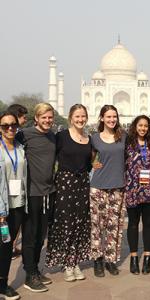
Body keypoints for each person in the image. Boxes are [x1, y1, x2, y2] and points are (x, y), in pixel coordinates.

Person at [45, 104, 92, 282]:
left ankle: (75, 261)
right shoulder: (61, 137)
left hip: (82, 183)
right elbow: (49, 157)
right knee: (65, 223)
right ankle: (66, 263)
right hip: (65, 183)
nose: (80, 120)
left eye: (83, 116)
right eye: (77, 116)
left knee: (80, 223)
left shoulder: (88, 138)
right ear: (71, 117)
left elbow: (90, 163)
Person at [16, 103, 56, 292]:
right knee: (30, 235)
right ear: (36, 118)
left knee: (41, 235)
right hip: (32, 193)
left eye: (50, 117)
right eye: (44, 117)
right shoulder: (24, 134)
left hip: (49, 191)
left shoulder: (52, 136)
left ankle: (35, 270)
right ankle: (29, 274)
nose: (47, 120)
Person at [90, 105, 126, 277]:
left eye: (114, 117)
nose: (112, 120)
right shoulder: (95, 138)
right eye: (108, 117)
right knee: (97, 226)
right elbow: (87, 159)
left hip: (117, 187)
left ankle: (110, 260)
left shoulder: (123, 137)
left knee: (114, 226)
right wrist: (92, 164)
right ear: (102, 118)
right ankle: (97, 260)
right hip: (98, 186)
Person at [125, 115, 150, 275]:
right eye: (140, 125)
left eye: (146, 126)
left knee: (148, 223)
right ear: (135, 126)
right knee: (133, 223)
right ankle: (134, 257)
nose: (143, 128)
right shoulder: (127, 144)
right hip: (133, 189)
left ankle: (147, 256)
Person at [0, 112, 27, 300]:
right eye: (5, 126)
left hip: (17, 204)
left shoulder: (20, 147)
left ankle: (3, 283)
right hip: (2, 206)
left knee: (7, 247)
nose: (10, 128)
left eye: (13, 125)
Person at [7, 104, 28, 259]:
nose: (25, 119)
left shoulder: (19, 138)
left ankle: (12, 246)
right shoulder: (12, 136)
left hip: (17, 184)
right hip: (7, 184)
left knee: (16, 219)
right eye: (23, 116)